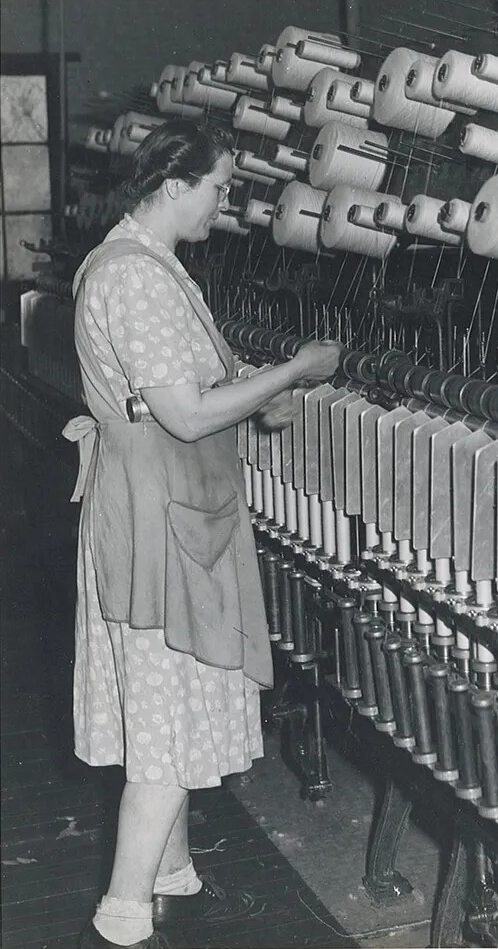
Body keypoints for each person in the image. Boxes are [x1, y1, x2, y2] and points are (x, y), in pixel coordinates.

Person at [64, 120, 340, 949]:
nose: (226, 202)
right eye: (219, 187)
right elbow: (183, 415)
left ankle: (172, 873)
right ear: (175, 184)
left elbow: (183, 391)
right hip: (159, 515)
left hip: (171, 504)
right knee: (161, 713)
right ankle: (122, 912)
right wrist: (294, 369)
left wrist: (256, 398)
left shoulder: (147, 262)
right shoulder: (134, 275)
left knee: (174, 697)